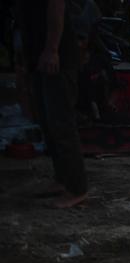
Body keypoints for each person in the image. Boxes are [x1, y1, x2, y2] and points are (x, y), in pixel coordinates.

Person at [17, 0, 89, 208]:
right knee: (48, 122)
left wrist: (52, 49)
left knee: (61, 123)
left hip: (57, 58)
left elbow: (56, 6)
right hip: (39, 54)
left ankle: (77, 188)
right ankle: (61, 179)